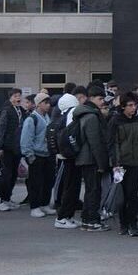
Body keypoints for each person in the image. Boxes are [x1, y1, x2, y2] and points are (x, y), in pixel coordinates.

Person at [74, 84, 110, 231]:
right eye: (100, 98)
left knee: (91, 189)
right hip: (91, 159)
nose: (102, 101)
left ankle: (87, 219)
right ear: (91, 98)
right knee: (94, 190)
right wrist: (102, 163)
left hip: (85, 158)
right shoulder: (92, 116)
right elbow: (95, 142)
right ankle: (92, 221)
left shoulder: (83, 113)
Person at [109, 92, 138, 236]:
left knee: (132, 194)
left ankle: (133, 223)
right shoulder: (115, 120)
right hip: (120, 163)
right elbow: (113, 143)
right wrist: (116, 163)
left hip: (136, 161)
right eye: (130, 105)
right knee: (121, 195)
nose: (133, 108)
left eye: (135, 105)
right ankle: (123, 223)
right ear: (123, 106)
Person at [21, 92, 55, 218]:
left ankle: (45, 204)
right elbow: (26, 138)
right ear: (39, 104)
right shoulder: (32, 119)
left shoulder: (47, 117)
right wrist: (29, 154)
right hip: (36, 154)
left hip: (48, 154)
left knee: (48, 181)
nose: (48, 105)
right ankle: (34, 207)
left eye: (48, 103)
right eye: (45, 103)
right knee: (36, 182)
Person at [54, 93, 82, 229]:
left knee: (71, 186)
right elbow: (73, 134)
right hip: (71, 156)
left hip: (66, 155)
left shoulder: (62, 115)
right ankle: (62, 217)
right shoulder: (72, 113)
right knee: (71, 187)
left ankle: (68, 216)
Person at [0, 89, 25, 211]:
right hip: (7, 147)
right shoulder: (6, 110)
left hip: (17, 147)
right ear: (10, 97)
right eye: (15, 96)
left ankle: (8, 198)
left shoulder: (20, 110)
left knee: (13, 174)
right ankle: (3, 200)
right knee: (6, 174)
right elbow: (1, 128)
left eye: (19, 96)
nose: (18, 98)